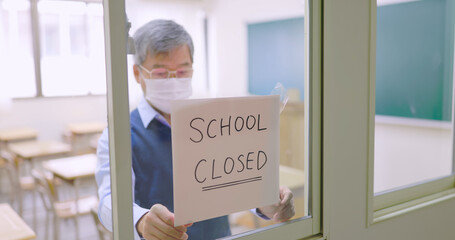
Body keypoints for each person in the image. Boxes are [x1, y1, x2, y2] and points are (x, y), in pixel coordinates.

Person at [95, 19, 295, 240]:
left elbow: (234, 182)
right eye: (161, 73)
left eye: (182, 71)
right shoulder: (121, 134)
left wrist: (267, 203)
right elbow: (108, 199)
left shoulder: (214, 124)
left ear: (192, 67)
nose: (173, 80)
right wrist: (140, 220)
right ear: (137, 73)